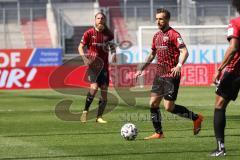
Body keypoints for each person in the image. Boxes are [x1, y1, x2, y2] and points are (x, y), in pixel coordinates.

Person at [135, 8, 203, 140]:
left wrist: (179, 65)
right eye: (157, 19)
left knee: (169, 107)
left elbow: (184, 52)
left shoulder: (174, 34)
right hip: (159, 75)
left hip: (171, 76)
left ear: (167, 19)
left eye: (161, 19)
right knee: (153, 103)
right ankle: (159, 133)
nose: (158, 21)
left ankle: (196, 118)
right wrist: (141, 68)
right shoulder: (156, 36)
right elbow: (152, 54)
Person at [210, 0, 240, 157]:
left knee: (219, 105)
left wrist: (219, 69)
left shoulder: (235, 23)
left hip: (236, 71)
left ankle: (220, 148)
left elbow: (233, 47)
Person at [78, 12, 116, 123]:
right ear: (95, 20)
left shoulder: (108, 34)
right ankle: (85, 111)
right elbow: (80, 47)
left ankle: (99, 117)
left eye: (102, 18)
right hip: (93, 66)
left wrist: (114, 55)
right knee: (94, 88)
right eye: (98, 18)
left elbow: (113, 48)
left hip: (104, 67)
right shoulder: (89, 33)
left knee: (104, 93)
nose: (100, 20)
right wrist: (84, 58)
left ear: (104, 20)